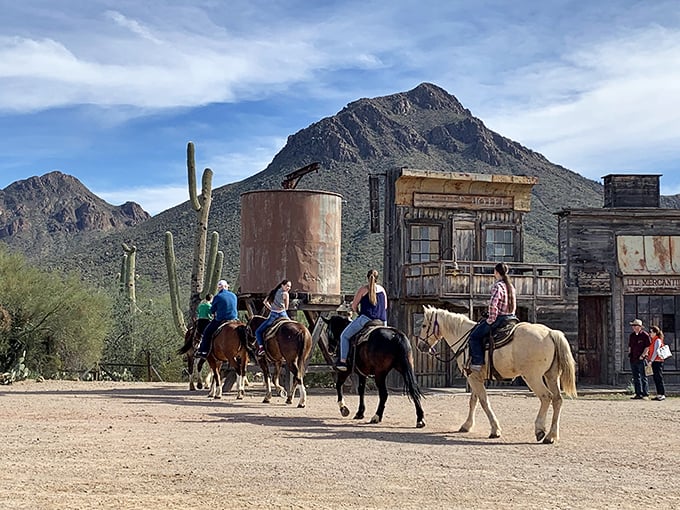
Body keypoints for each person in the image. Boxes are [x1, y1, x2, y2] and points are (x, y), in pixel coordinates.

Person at [467, 262, 517, 372]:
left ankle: (477, 362)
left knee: (474, 336)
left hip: (500, 319)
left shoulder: (498, 286)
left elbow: (493, 304)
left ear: (496, 272)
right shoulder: (511, 287)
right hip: (511, 318)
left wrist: (491, 319)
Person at [335, 269, 387, 372]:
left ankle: (343, 361)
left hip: (366, 319)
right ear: (378, 278)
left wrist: (358, 313)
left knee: (344, 336)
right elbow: (385, 306)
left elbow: (354, 306)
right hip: (382, 321)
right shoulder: (382, 290)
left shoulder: (363, 290)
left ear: (367, 277)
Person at [195, 280, 238, 359]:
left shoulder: (217, 297)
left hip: (221, 319)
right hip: (234, 319)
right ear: (226, 287)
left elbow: (212, 310)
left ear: (219, 288)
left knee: (207, 332)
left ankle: (203, 351)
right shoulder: (234, 295)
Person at [255, 279, 291, 357]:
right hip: (283, 315)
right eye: (287, 286)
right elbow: (287, 307)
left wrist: (272, 308)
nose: (289, 288)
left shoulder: (273, 292)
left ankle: (261, 348)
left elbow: (265, 302)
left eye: (289, 287)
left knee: (258, 331)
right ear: (282, 285)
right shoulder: (286, 294)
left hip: (273, 315)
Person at [627, 318, 651, 400]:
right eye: (633, 326)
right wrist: (629, 353)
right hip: (633, 358)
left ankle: (645, 393)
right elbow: (630, 346)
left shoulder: (645, 335)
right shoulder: (632, 335)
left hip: (641, 359)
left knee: (643, 376)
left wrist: (643, 355)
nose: (633, 327)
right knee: (635, 376)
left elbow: (647, 346)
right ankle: (638, 393)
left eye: (635, 325)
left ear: (639, 327)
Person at [643, 325, 666, 401]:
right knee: (656, 377)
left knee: (659, 377)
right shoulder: (653, 340)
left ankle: (662, 394)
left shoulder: (658, 340)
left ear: (655, 333)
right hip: (654, 361)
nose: (650, 334)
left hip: (657, 361)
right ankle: (659, 393)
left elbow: (656, 351)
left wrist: (651, 361)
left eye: (651, 332)